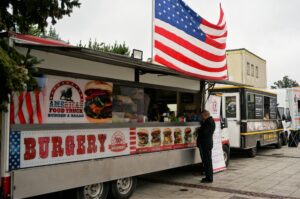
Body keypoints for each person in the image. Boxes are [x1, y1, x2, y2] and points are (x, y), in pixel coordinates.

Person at [197, 110, 215, 183]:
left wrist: (199, 130)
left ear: (205, 115)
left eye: (202, 116)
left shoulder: (209, 122)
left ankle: (209, 178)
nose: (201, 118)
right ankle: (208, 177)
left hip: (206, 144)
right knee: (207, 161)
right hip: (207, 144)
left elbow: (204, 132)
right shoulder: (210, 121)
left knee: (207, 162)